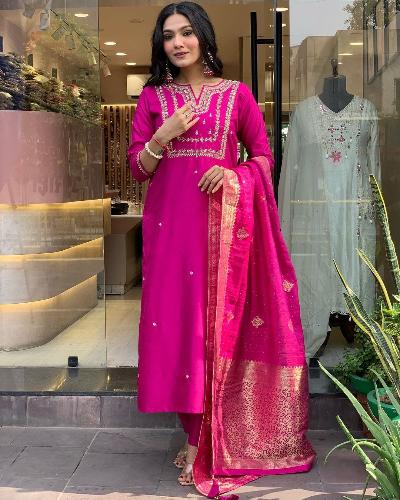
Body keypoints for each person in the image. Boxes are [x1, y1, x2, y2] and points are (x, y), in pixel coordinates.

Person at [128, 2, 315, 497]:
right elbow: (138, 168)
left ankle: (204, 442)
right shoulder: (153, 97)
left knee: (212, 328)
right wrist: (163, 136)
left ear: (203, 37)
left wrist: (233, 173)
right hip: (170, 231)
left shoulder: (237, 95)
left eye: (186, 32)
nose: (178, 42)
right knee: (177, 330)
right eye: (169, 35)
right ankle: (195, 434)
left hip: (222, 232)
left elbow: (263, 156)